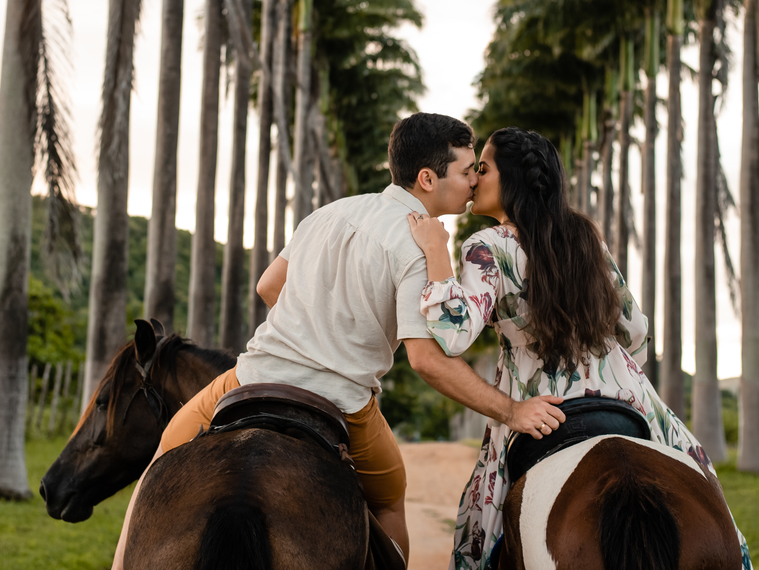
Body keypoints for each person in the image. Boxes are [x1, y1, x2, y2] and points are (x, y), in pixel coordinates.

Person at [110, 113, 566, 569]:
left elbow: (268, 287)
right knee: (389, 499)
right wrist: (511, 411)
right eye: (466, 171)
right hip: (345, 402)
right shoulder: (419, 247)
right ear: (427, 178)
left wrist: (315, 324)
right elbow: (426, 361)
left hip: (251, 377)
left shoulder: (329, 212)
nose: (473, 182)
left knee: (164, 460)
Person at [406, 126, 751, 570]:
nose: (474, 178)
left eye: (483, 169)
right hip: (627, 396)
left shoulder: (486, 246)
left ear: (510, 181)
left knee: (476, 538)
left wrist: (437, 252)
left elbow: (453, 332)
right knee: (718, 510)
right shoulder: (587, 236)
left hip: (542, 408)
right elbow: (635, 330)